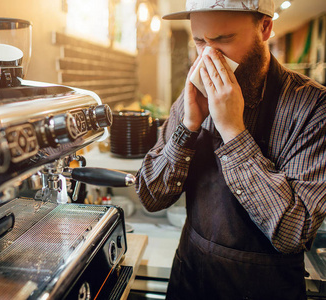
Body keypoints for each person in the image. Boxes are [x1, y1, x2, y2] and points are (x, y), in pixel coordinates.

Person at [135, 0, 326, 299]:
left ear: (265, 27)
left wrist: (233, 132)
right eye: (200, 41)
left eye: (223, 40)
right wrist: (187, 127)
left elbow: (294, 233)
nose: (209, 56)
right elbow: (152, 196)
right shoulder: (192, 96)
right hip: (190, 278)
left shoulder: (313, 107)